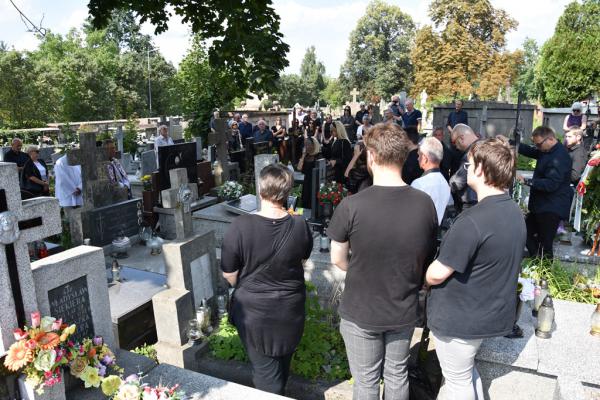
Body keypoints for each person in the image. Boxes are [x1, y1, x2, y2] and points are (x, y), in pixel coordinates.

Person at [328, 122, 437, 400]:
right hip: (402, 307)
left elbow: (338, 259)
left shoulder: (351, 205)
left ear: (372, 157)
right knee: (397, 375)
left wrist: (363, 268)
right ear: (403, 157)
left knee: (365, 382)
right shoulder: (425, 204)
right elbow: (425, 254)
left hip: (361, 308)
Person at [426, 137, 526, 400]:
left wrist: (425, 273)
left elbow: (437, 273)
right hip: (486, 313)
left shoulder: (472, 220)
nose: (466, 169)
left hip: (461, 320)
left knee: (457, 382)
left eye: (468, 164)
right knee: (464, 374)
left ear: (481, 169)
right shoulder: (514, 211)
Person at [221, 164, 313, 395]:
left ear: (260, 190)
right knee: (281, 368)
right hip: (290, 311)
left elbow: (230, 275)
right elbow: (301, 260)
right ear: (288, 192)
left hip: (255, 315)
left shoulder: (240, 227)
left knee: (266, 378)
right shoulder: (300, 224)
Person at [516, 126, 572, 258]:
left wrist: (527, 181)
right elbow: (531, 151)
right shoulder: (546, 149)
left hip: (551, 207)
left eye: (539, 144)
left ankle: (544, 273)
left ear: (551, 139)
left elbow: (551, 184)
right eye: (536, 144)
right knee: (524, 233)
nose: (537, 147)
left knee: (545, 243)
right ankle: (537, 262)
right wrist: (511, 143)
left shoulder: (560, 157)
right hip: (541, 206)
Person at [412, 137, 451, 225]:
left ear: (425, 158)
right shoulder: (445, 183)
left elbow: (412, 215)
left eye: (419, 155)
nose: (417, 159)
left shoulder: (419, 184)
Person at [449, 124, 479, 211]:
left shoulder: (471, 153)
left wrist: (448, 185)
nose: (456, 147)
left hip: (472, 204)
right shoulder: (486, 146)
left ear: (461, 138)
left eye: (454, 142)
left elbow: (458, 181)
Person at [297, 137, 320, 209]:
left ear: (313, 145)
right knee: (305, 201)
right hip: (307, 182)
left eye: (307, 144)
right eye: (305, 144)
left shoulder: (318, 156)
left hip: (315, 183)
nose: (305, 147)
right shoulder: (306, 156)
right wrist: (303, 155)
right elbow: (299, 168)